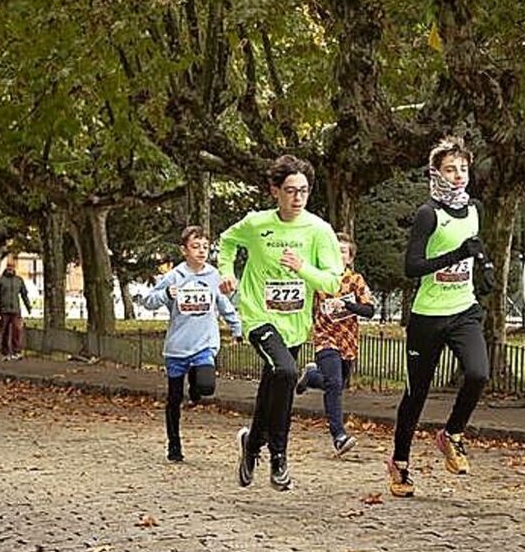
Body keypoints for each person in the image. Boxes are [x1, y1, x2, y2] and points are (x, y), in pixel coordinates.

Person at [219, 154, 343, 491]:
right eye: (290, 190)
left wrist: (302, 267)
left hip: (293, 323)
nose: (298, 198)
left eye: (303, 191)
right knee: (287, 372)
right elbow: (227, 243)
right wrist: (227, 273)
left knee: (274, 385)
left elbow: (332, 282)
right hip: (259, 317)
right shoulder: (257, 224)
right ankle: (279, 457)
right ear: (275, 191)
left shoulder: (319, 230)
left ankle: (251, 444)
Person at [388, 137, 495, 498]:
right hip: (428, 316)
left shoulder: (475, 209)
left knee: (478, 373)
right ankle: (400, 465)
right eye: (450, 169)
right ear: (436, 173)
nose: (459, 175)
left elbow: (473, 249)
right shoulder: (428, 214)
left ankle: (452, 434)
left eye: (463, 168)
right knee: (416, 393)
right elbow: (412, 267)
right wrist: (456, 255)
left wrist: (484, 267)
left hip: (463, 309)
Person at [142, 225, 243, 462]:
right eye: (195, 246)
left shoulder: (214, 275)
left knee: (206, 386)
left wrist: (236, 328)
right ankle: (174, 444)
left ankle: (196, 390)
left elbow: (223, 304)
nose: (201, 251)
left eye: (205, 247)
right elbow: (148, 301)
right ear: (184, 250)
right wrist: (166, 294)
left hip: (204, 343)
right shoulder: (174, 276)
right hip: (177, 347)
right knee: (174, 399)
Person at [295, 232, 375, 457]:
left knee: (337, 385)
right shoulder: (318, 279)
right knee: (334, 382)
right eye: (333, 250)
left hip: (347, 342)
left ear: (349, 258)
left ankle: (311, 376)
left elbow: (369, 310)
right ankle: (339, 436)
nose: (337, 254)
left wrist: (348, 305)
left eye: (342, 251)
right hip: (325, 338)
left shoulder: (355, 280)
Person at [0, 258, 31, 360]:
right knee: (4, 332)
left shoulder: (19, 280)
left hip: (16, 310)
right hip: (4, 310)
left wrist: (28, 306)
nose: (10, 269)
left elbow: (24, 294)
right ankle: (5, 352)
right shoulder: (0, 280)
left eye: (11, 267)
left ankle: (16, 351)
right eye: (8, 266)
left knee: (17, 331)